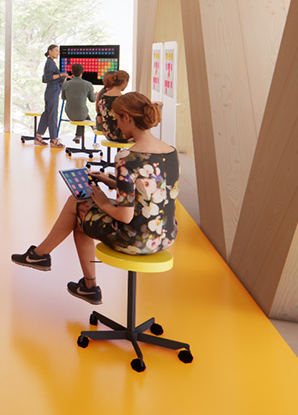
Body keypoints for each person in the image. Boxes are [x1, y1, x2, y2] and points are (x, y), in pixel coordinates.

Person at [11, 92, 178, 305]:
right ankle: (44, 258)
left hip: (138, 239)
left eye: (117, 118)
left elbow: (124, 216)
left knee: (79, 206)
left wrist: (103, 202)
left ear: (127, 117)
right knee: (81, 209)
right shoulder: (170, 151)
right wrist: (111, 182)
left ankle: (55, 264)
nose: (116, 124)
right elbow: (152, 190)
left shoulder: (128, 158)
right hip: (165, 234)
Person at [33, 44, 67, 148]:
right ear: (50, 51)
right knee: (52, 115)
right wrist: (62, 75)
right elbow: (48, 78)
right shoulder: (49, 63)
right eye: (56, 50)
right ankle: (54, 139)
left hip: (52, 90)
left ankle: (38, 136)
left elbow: (46, 78)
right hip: (52, 91)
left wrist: (64, 76)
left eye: (58, 51)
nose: (58, 53)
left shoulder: (51, 63)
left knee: (47, 113)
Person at [61, 62, 95, 143]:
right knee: (83, 113)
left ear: (72, 72)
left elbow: (63, 98)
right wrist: (95, 95)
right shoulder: (88, 84)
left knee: (82, 113)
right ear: (82, 72)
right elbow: (93, 100)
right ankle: (93, 127)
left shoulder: (65, 84)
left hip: (69, 113)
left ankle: (78, 135)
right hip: (82, 113)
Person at [96, 70, 131, 142]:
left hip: (108, 134)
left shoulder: (102, 98)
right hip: (121, 135)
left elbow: (100, 119)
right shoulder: (123, 99)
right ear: (124, 81)